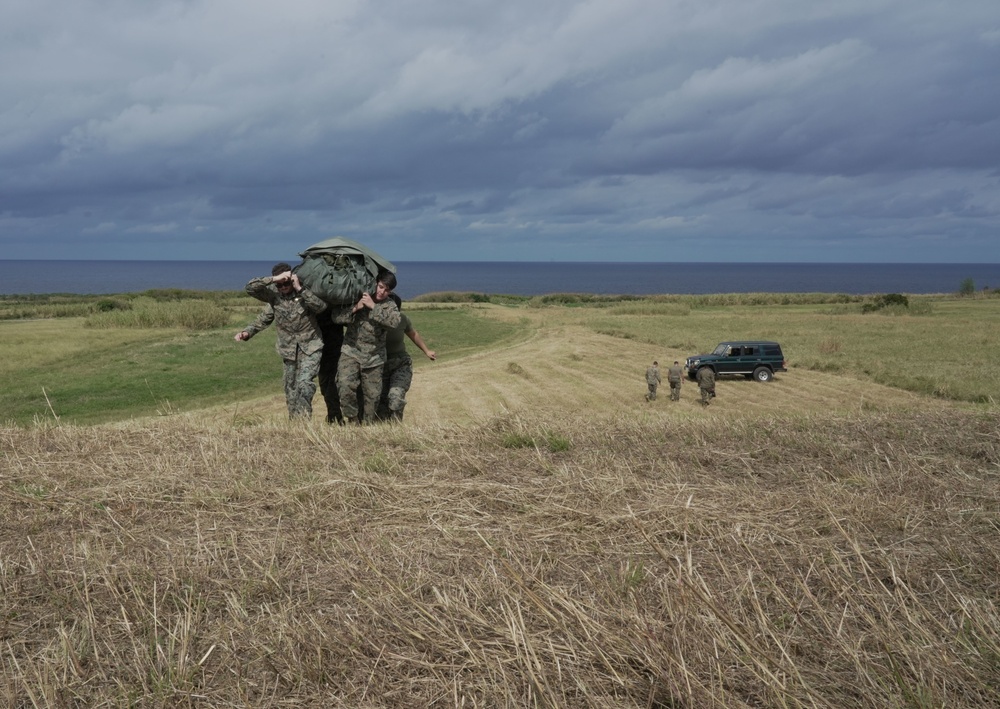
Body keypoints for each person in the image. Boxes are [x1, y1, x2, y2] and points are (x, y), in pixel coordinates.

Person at [235, 263, 327, 419]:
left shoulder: (305, 291)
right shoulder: (274, 296)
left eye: (287, 283)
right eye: (280, 284)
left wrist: (299, 288)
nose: (284, 287)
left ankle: (304, 422)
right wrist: (247, 332)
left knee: (304, 384)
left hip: (310, 346)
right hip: (288, 350)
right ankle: (294, 425)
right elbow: (251, 291)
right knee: (290, 389)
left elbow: (321, 307)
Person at [336, 272, 401, 424]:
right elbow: (336, 317)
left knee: (373, 397)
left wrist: (373, 307)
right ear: (376, 283)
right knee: (345, 386)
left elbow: (394, 323)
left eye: (387, 290)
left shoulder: (389, 305)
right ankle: (352, 421)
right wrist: (356, 308)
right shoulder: (358, 297)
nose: (382, 292)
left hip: (374, 357)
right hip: (350, 352)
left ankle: (367, 426)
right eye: (380, 287)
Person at [376, 294, 437, 422]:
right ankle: (383, 431)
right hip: (379, 365)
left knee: (396, 397)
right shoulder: (374, 319)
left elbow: (413, 334)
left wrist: (427, 351)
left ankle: (396, 427)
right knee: (381, 404)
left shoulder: (402, 319)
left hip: (400, 364)